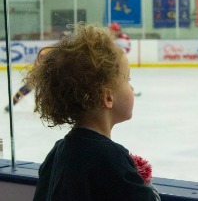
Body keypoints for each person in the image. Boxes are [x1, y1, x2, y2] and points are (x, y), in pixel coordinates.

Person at [27, 24, 160, 201]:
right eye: (128, 80)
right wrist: (145, 185)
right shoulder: (110, 158)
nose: (132, 87)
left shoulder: (58, 151)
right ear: (108, 97)